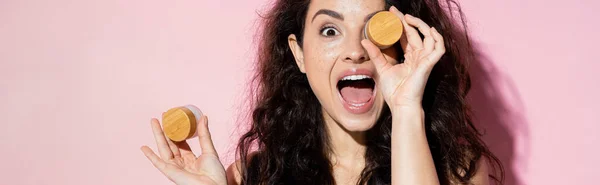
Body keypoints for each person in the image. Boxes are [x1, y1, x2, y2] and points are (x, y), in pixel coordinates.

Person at [140, 0, 504, 184]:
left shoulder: (456, 170)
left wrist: (407, 107)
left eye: (374, 29)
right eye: (330, 31)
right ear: (299, 54)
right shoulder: (255, 176)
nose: (356, 51)